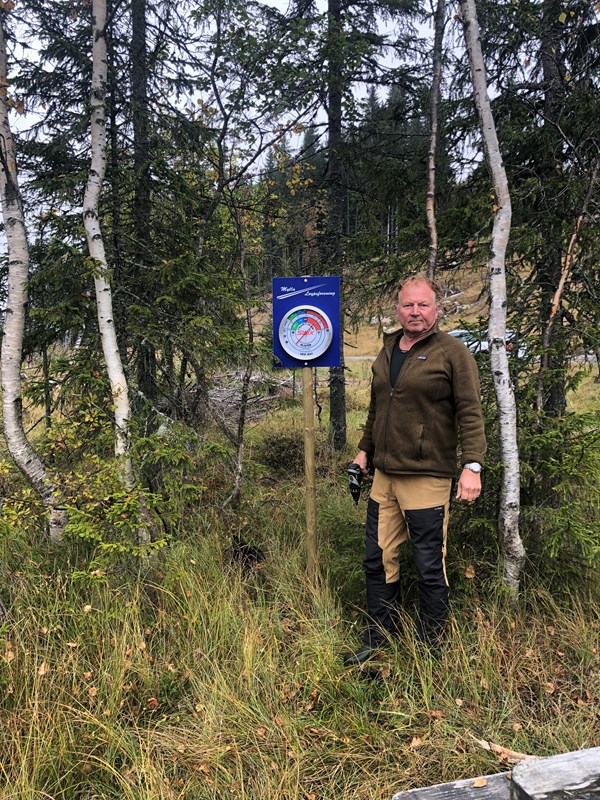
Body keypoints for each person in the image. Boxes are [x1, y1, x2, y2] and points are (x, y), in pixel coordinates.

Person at [344, 275, 486, 666]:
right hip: (385, 478)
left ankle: (430, 648)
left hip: (427, 478)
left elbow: (471, 412)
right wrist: (363, 453)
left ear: (436, 309)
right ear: (397, 309)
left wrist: (471, 466)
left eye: (423, 305)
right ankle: (378, 637)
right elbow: (377, 409)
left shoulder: (452, 353)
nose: (416, 312)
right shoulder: (389, 348)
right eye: (408, 305)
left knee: (427, 562)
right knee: (377, 557)